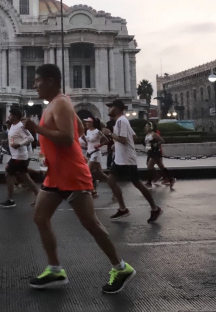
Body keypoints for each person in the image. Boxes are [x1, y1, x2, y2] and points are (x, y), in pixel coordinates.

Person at [22, 64, 135, 293]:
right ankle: (55, 270)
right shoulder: (57, 103)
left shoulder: (61, 102)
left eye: (37, 80)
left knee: (90, 224)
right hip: (56, 174)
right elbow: (81, 129)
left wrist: (38, 130)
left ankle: (120, 267)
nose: (34, 85)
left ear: (51, 80)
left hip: (72, 174)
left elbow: (66, 138)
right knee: (40, 217)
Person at [102, 100, 162, 223]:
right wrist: (116, 144)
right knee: (111, 180)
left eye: (110, 107)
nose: (109, 109)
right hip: (120, 159)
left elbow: (124, 140)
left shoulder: (121, 121)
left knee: (138, 184)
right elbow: (133, 137)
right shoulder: (123, 121)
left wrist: (110, 134)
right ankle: (123, 208)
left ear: (117, 108)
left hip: (127, 160)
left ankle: (155, 208)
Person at [0, 108, 38, 208]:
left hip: (19, 157)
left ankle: (10, 200)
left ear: (15, 116)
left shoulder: (21, 126)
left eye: (10, 115)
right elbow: (12, 137)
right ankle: (39, 197)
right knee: (26, 178)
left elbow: (31, 138)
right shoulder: (13, 126)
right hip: (16, 156)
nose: (9, 117)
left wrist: (19, 144)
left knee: (8, 174)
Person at [143, 122, 175, 189]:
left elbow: (162, 141)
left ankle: (149, 182)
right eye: (145, 126)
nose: (146, 127)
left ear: (151, 127)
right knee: (161, 167)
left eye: (147, 126)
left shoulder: (154, 135)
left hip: (155, 153)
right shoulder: (147, 135)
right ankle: (171, 179)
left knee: (149, 166)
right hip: (151, 152)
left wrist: (156, 144)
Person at [84, 117, 109, 198]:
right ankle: (113, 185)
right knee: (101, 173)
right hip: (90, 153)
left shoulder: (97, 132)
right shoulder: (87, 131)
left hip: (95, 154)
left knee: (87, 171)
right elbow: (88, 143)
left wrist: (99, 145)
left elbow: (106, 140)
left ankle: (90, 189)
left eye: (88, 122)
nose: (86, 123)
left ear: (92, 123)